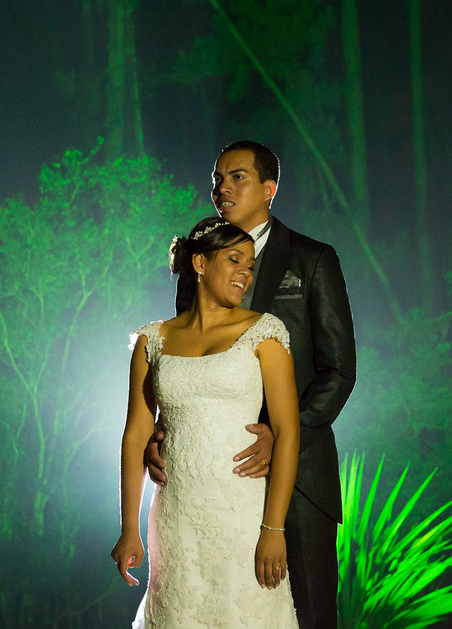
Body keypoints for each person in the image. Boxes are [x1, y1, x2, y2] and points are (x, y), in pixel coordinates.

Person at [150, 141, 356, 629]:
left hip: (300, 474)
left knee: (306, 614)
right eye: (217, 178)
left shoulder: (312, 260)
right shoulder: (198, 263)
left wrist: (283, 433)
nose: (223, 187)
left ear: (270, 188)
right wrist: (163, 429)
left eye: (237, 177)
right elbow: (184, 359)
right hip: (212, 482)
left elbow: (338, 370)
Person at [112, 216, 302, 628]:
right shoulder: (152, 340)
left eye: (250, 265)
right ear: (200, 264)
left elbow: (288, 432)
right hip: (176, 516)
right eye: (234, 260)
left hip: (244, 517)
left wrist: (274, 528)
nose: (245, 274)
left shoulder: (264, 333)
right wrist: (129, 527)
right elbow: (135, 436)